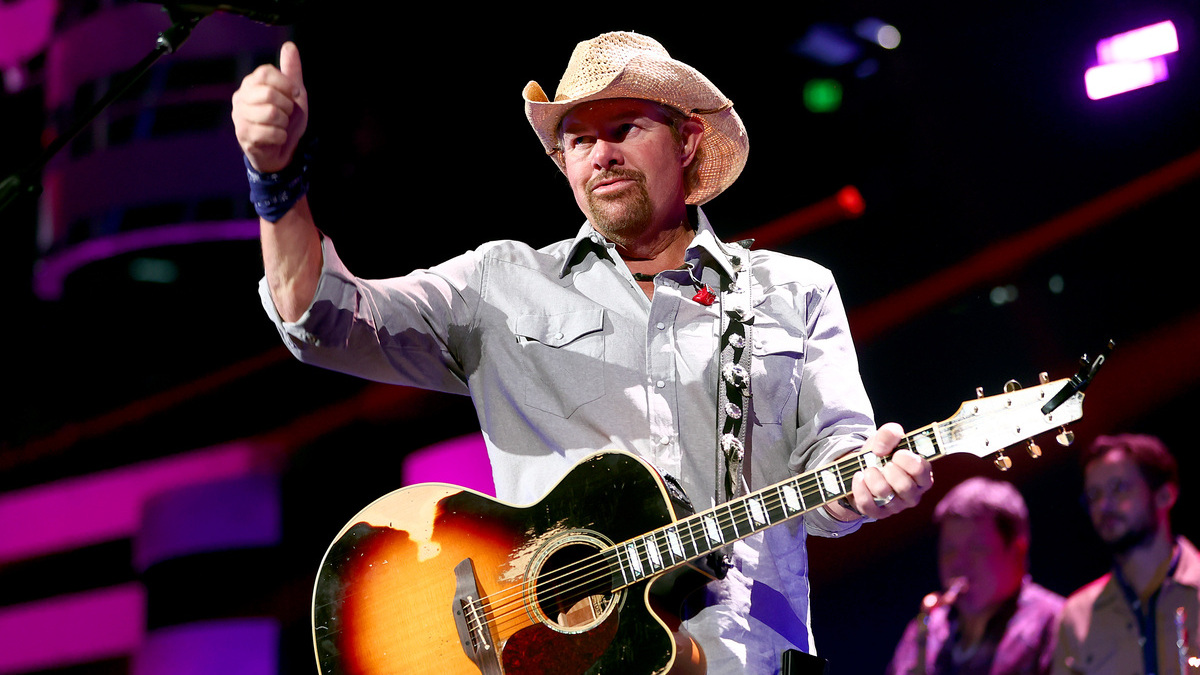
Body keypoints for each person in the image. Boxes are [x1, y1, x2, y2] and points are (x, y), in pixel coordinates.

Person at [231, 31, 934, 674]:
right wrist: (276, 182)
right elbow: (322, 320)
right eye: (578, 139)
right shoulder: (499, 284)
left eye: (624, 128)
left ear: (687, 141)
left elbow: (835, 470)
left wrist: (864, 488)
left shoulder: (794, 291)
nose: (601, 154)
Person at [886, 477, 1063, 675]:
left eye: (976, 548)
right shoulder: (926, 631)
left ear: (1017, 550)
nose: (958, 563)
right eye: (949, 549)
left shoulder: (1056, 622)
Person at [1053, 434, 1199, 674]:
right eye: (1094, 495)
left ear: (1165, 495)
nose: (1103, 506)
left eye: (1118, 488)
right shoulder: (1077, 615)